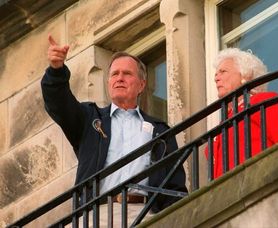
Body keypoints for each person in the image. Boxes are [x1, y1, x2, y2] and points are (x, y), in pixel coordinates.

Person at [41, 35, 187, 219]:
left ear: (141, 85)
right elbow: (59, 105)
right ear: (108, 83)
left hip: (144, 213)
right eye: (114, 74)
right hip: (97, 215)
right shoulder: (90, 120)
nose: (120, 78)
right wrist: (56, 72)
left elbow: (174, 185)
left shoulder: (160, 130)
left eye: (127, 74)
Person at [205, 48, 278, 178]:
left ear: (246, 75)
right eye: (216, 74)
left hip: (261, 182)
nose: (216, 78)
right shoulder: (225, 120)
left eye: (223, 71)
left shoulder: (264, 100)